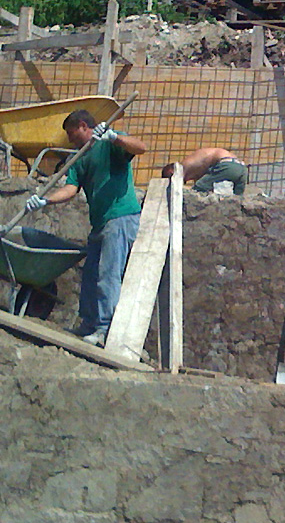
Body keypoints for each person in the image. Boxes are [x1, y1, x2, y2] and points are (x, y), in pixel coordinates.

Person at [24, 110, 148, 346]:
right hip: (100, 222)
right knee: (91, 275)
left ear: (83, 126)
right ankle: (89, 324)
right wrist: (45, 200)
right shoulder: (79, 157)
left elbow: (140, 147)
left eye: (72, 134)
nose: (70, 140)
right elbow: (71, 189)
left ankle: (104, 329)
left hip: (120, 217)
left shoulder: (109, 144)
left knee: (108, 274)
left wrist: (114, 137)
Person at [161, 147, 248, 195]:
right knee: (237, 200)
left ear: (172, 172)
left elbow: (201, 184)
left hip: (227, 165)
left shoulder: (184, 166)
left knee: (196, 191)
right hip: (242, 168)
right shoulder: (193, 163)